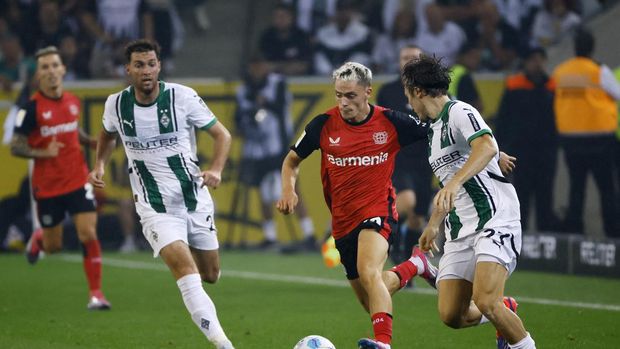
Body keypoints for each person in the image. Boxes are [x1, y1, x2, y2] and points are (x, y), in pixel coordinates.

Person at [277, 61, 437, 349]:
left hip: (378, 211)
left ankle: (383, 344)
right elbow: (291, 161)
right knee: (371, 298)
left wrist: (491, 151)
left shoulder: (391, 121)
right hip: (342, 222)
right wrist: (288, 190)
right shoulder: (322, 125)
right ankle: (415, 265)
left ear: (367, 92)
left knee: (369, 272)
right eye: (339, 95)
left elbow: (440, 130)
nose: (343, 102)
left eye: (350, 95)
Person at [88, 39, 234, 349]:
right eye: (139, 65)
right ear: (128, 69)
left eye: (151, 64)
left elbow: (222, 134)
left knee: (210, 274)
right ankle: (222, 343)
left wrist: (217, 169)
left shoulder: (182, 97)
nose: (146, 71)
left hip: (194, 198)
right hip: (154, 207)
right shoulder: (116, 104)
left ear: (159, 66)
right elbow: (106, 135)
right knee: (185, 268)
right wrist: (99, 164)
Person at [403, 55, 536, 349]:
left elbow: (486, 145)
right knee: (452, 315)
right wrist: (433, 224)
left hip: (495, 218)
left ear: (418, 91)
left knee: (486, 300)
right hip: (459, 229)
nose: (408, 101)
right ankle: (505, 311)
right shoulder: (432, 133)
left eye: (407, 93)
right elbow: (448, 183)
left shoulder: (459, 111)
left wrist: (457, 179)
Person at [10, 46, 111, 310]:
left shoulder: (72, 101)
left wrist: (91, 142)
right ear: (38, 75)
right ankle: (40, 238)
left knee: (88, 233)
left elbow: (72, 130)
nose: (51, 71)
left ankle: (96, 294)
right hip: (48, 187)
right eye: (45, 67)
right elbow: (16, 146)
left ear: (63, 69)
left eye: (55, 65)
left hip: (78, 180)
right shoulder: (29, 109)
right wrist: (43, 152)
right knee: (54, 247)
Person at [235, 55, 316, 251]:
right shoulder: (244, 89)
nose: (257, 70)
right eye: (253, 66)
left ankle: (309, 234)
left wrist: (264, 103)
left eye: (260, 65)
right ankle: (269, 236)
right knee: (264, 190)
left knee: (292, 188)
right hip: (257, 148)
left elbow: (281, 108)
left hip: (279, 146)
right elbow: (239, 118)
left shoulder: (277, 84)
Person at [552, 28, 620, 237]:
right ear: (592, 47)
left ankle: (574, 233)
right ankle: (613, 233)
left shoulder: (561, 71)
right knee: (606, 188)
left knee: (576, 188)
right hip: (600, 138)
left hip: (571, 139)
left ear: (575, 47)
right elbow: (617, 94)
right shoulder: (598, 70)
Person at [376, 45, 433, 268]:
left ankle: (404, 262)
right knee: (408, 201)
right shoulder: (388, 90)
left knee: (417, 217)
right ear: (398, 62)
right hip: (398, 158)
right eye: (404, 58)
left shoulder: (432, 90)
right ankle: (378, 226)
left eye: (413, 58)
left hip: (424, 161)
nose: (408, 61)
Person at [495, 47, 560, 232]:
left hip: (546, 152)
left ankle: (545, 239)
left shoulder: (552, 85)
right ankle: (519, 241)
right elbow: (503, 119)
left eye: (540, 58)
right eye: (533, 59)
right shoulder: (514, 85)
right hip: (520, 153)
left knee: (545, 197)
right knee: (521, 197)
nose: (537, 63)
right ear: (526, 62)